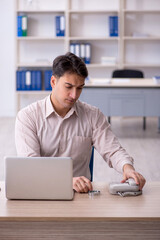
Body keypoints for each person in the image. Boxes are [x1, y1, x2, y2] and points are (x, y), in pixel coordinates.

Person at [15, 52, 146, 193]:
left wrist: (127, 168)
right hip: (41, 191)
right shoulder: (28, 117)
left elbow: (113, 150)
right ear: (53, 82)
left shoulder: (93, 115)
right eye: (68, 87)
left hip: (80, 195)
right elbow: (31, 166)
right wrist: (66, 181)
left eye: (79, 88)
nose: (74, 95)